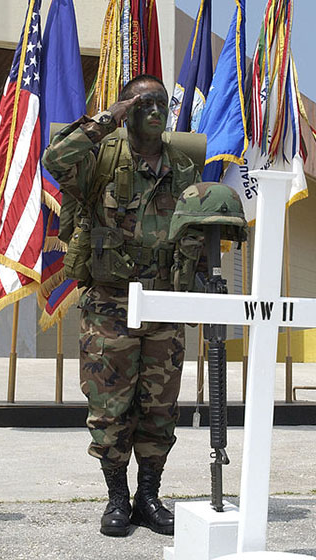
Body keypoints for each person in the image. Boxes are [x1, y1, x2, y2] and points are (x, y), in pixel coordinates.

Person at [42, 75, 201, 538]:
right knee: (110, 410)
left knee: (159, 410)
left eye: (161, 103)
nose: (155, 110)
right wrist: (105, 119)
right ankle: (116, 498)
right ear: (128, 108)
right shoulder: (101, 159)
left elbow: (201, 230)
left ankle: (148, 497)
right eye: (144, 102)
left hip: (163, 309)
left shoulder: (184, 169)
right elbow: (55, 158)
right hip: (109, 306)